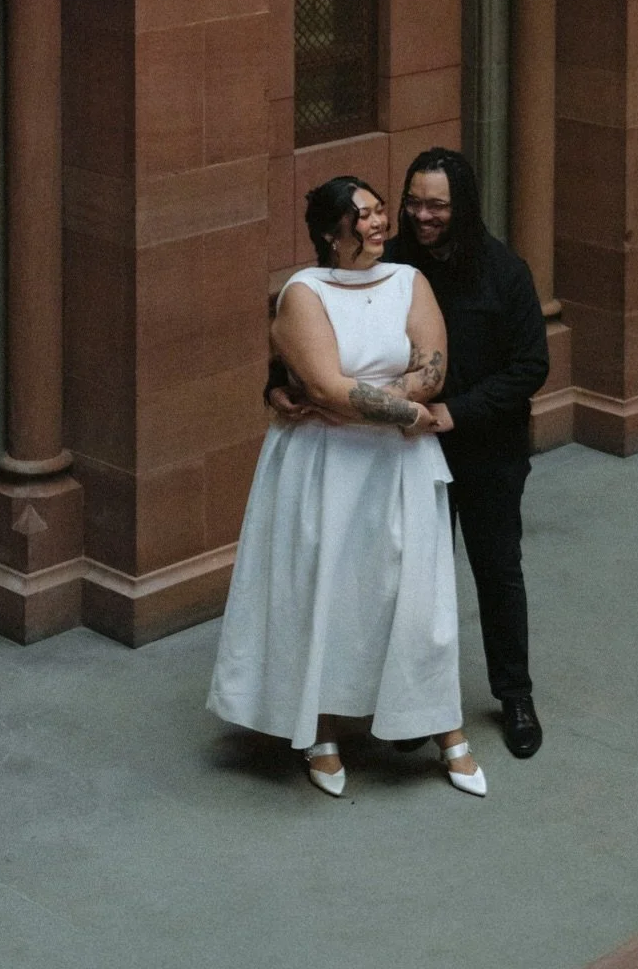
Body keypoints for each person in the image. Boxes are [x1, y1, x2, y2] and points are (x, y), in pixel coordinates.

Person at [208, 175, 488, 799]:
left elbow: (431, 368)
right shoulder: (303, 293)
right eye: (363, 215)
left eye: (380, 211)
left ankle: (442, 727)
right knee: (327, 593)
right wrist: (396, 410)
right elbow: (326, 386)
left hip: (398, 465)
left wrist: (382, 405)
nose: (378, 223)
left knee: (417, 598)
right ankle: (323, 730)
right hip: (326, 467)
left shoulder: (410, 281)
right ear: (332, 232)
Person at [270, 148, 549, 758]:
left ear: (463, 206)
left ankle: (515, 697)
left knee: (497, 573)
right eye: (414, 203)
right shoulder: (388, 263)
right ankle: (409, 706)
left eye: (437, 205)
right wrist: (279, 385)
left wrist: (456, 410)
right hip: (399, 453)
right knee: (404, 582)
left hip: (486, 453)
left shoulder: (505, 272)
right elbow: (328, 334)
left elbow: (532, 366)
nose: (421, 216)